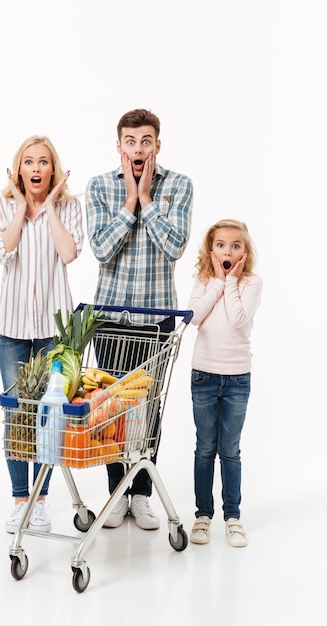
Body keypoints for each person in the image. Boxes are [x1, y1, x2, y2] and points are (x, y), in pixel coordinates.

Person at [85, 108, 193, 530]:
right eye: (130, 141)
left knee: (148, 410)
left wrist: (146, 199)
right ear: (119, 146)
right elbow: (100, 249)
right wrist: (130, 200)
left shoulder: (179, 185)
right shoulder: (98, 187)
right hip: (110, 317)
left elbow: (174, 247)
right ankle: (116, 494)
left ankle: (142, 495)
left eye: (146, 141)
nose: (138, 149)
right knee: (110, 411)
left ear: (157, 145)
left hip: (156, 323)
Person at [0, 135, 84, 533]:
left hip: (51, 330)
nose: (36, 169)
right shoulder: (1, 205)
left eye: (43, 162)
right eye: (28, 162)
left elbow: (69, 253)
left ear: (53, 170)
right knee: (17, 415)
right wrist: (18, 207)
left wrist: (49, 208)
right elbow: (1, 251)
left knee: (48, 416)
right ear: (19, 170)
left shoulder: (68, 207)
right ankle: (19, 499)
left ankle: (41, 502)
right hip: (10, 328)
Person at [187, 219, 262, 547]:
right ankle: (203, 515)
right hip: (204, 374)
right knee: (205, 448)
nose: (227, 250)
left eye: (235, 245)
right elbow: (193, 316)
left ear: (244, 252)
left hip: (236, 379)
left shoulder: (252, 283)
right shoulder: (204, 280)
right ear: (211, 249)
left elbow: (237, 319)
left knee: (230, 450)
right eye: (221, 245)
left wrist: (230, 282)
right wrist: (217, 281)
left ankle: (233, 516)